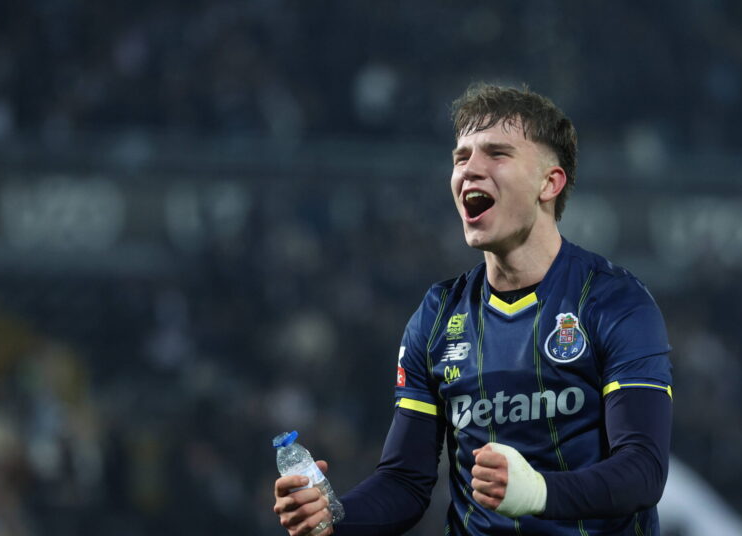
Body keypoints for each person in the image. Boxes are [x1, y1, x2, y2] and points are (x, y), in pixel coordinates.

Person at [273, 83, 674, 535]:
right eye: (461, 158)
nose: (470, 170)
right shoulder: (438, 314)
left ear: (550, 182)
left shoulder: (614, 301)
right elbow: (406, 480)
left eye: (496, 154)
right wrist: (335, 520)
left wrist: (541, 493)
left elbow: (643, 470)